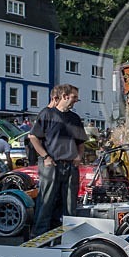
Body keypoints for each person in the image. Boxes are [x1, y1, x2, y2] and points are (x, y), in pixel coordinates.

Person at [29, 84, 88, 236]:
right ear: (64, 96)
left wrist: (79, 157)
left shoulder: (74, 118)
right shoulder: (46, 114)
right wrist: (45, 157)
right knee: (46, 201)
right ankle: (39, 236)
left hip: (70, 166)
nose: (76, 100)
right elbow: (33, 137)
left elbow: (81, 142)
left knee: (70, 203)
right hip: (51, 164)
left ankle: (69, 236)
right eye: (74, 97)